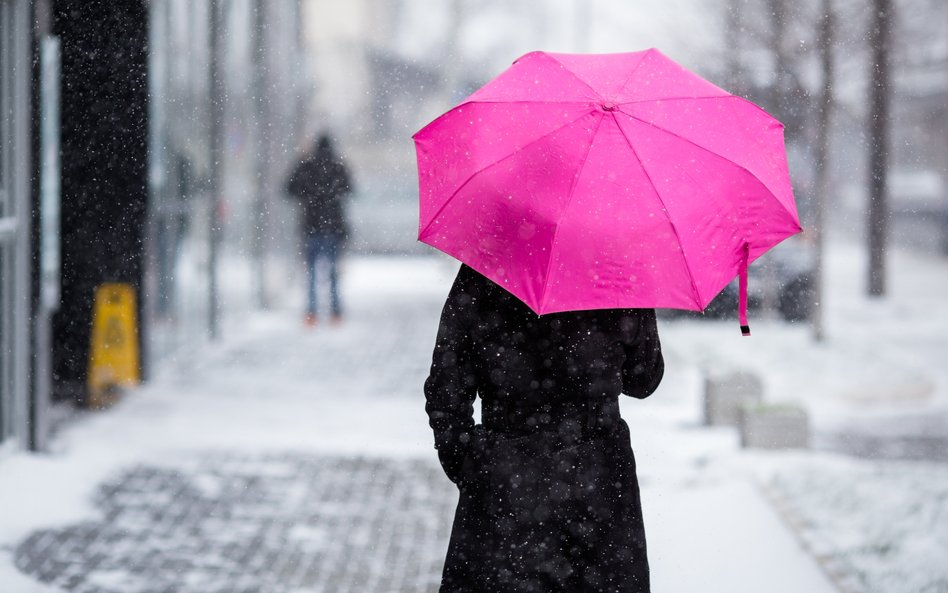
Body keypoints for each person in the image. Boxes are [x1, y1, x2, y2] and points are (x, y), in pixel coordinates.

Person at [425, 264, 664, 593]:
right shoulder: (616, 268)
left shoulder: (486, 268)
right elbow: (643, 380)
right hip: (598, 481)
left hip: (506, 478)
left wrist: (472, 466)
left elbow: (447, 388)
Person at [285, 134, 352, 327]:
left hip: (311, 226)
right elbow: (350, 189)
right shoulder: (338, 167)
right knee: (332, 272)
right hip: (334, 227)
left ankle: (311, 313)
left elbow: (289, 189)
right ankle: (335, 312)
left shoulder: (306, 166)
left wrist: (300, 163)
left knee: (312, 271)